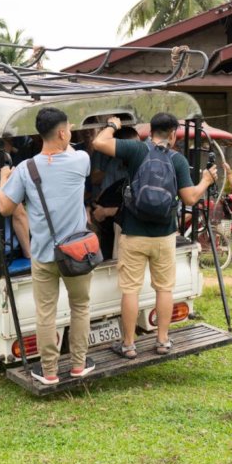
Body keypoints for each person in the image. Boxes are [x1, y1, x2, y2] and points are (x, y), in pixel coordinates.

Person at [93, 113, 217, 359]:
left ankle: (128, 345)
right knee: (164, 289)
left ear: (150, 131)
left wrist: (113, 125)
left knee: (130, 290)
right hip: (164, 236)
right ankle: (162, 340)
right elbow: (190, 198)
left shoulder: (136, 150)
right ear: (173, 134)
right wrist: (205, 180)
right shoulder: (178, 160)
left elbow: (99, 143)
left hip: (133, 234)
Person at [0, 107, 95, 385]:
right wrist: (67, 138)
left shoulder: (26, 169)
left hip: (43, 253)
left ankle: (49, 371)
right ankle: (78, 365)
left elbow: (6, 207)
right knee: (80, 307)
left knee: (46, 313)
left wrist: (5, 178)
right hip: (77, 251)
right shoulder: (81, 160)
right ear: (63, 132)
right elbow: (73, 151)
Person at [89, 125, 139, 259]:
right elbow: (104, 196)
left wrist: (105, 211)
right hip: (119, 225)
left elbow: (136, 206)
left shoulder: (145, 167)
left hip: (132, 228)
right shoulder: (115, 165)